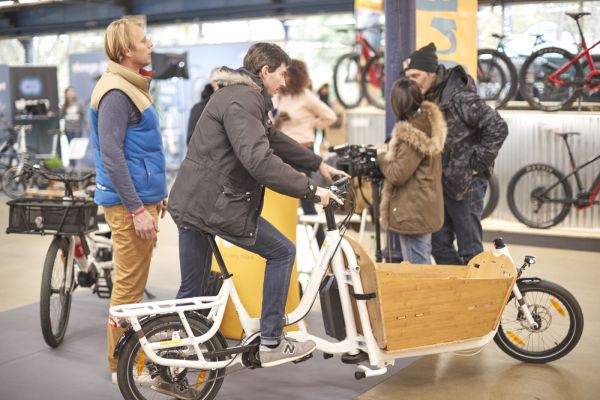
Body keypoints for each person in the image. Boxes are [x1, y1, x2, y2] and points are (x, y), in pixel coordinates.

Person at [168, 43, 347, 370]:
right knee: (282, 252)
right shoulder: (244, 99)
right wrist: (311, 190)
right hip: (214, 206)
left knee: (193, 291)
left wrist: (319, 164)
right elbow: (259, 160)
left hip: (193, 203)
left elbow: (273, 140)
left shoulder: (240, 96)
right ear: (265, 72)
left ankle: (172, 360)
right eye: (281, 75)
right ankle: (271, 341)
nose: (283, 82)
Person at [89, 17, 168, 386]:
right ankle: (121, 367)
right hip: (127, 206)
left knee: (131, 286)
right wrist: (138, 208)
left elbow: (141, 149)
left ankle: (123, 363)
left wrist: (156, 196)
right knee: (127, 290)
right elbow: (112, 156)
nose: (149, 43)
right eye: (143, 39)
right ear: (127, 51)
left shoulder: (130, 86)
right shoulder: (116, 92)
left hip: (140, 200)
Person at [404, 42, 508, 265]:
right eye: (408, 76)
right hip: (440, 184)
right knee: (439, 245)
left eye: (415, 75)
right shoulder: (427, 98)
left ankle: (476, 297)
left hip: (467, 185)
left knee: (470, 250)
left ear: (432, 73)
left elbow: (498, 126)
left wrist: (475, 165)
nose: (410, 81)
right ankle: (457, 291)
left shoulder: (460, 97)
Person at [377, 79, 447, 264]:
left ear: (397, 103)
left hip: (413, 211)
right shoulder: (427, 124)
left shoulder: (412, 134)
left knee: (417, 270)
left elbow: (397, 174)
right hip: (423, 205)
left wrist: (381, 156)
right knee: (422, 260)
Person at [273, 59, 337, 248]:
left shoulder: (306, 96)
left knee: (307, 202)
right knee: (281, 202)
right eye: (283, 74)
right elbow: (269, 121)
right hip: (281, 151)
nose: (285, 79)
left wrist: (311, 124)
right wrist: (278, 121)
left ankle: (323, 250)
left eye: (288, 75)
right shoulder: (279, 96)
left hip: (302, 151)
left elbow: (330, 116)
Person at [186, 68, 219, 145]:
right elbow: (190, 140)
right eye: (219, 80)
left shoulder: (231, 105)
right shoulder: (199, 108)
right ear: (212, 82)